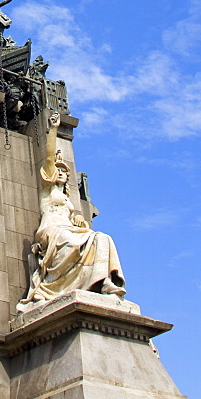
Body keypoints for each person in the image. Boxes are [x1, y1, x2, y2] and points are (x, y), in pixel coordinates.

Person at [18, 113, 125, 310]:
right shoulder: (47, 190)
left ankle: (104, 283)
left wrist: (78, 218)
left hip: (68, 228)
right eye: (58, 170)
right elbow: (50, 157)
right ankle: (51, 287)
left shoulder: (67, 200)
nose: (61, 172)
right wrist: (53, 130)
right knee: (67, 238)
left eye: (64, 171)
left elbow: (74, 216)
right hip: (52, 230)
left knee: (102, 238)